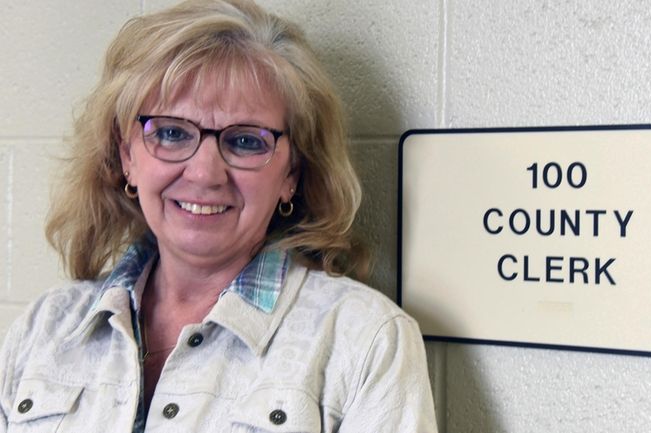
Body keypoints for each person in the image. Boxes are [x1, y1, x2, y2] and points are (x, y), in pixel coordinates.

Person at [0, 0, 438, 431]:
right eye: (171, 133)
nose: (205, 173)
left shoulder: (363, 342)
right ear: (126, 155)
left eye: (246, 141)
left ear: (292, 173)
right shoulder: (45, 328)